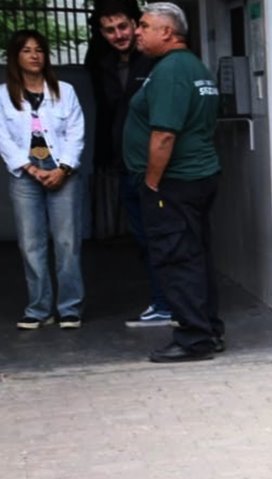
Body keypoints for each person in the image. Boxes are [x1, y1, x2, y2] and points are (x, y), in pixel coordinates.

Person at [123, 2, 222, 362]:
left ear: (167, 32)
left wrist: (151, 184)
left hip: (173, 182)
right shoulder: (194, 66)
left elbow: (164, 135)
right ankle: (208, 331)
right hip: (196, 178)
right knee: (196, 257)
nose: (137, 31)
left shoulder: (170, 71)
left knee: (178, 259)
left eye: (145, 25)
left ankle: (194, 339)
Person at [87, 0, 172, 327]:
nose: (118, 35)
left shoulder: (153, 60)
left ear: (137, 24)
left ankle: (170, 303)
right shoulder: (103, 64)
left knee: (164, 236)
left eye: (123, 26)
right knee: (143, 239)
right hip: (125, 165)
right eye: (109, 30)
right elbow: (108, 114)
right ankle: (161, 301)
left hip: (155, 164)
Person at [2, 30, 86, 330]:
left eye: (39, 50)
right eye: (26, 50)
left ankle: (69, 308)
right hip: (26, 174)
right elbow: (3, 137)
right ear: (16, 57)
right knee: (31, 243)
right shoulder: (3, 94)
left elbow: (76, 132)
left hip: (62, 171)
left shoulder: (65, 90)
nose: (34, 55)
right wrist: (29, 168)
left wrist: (62, 168)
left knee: (67, 242)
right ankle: (39, 309)